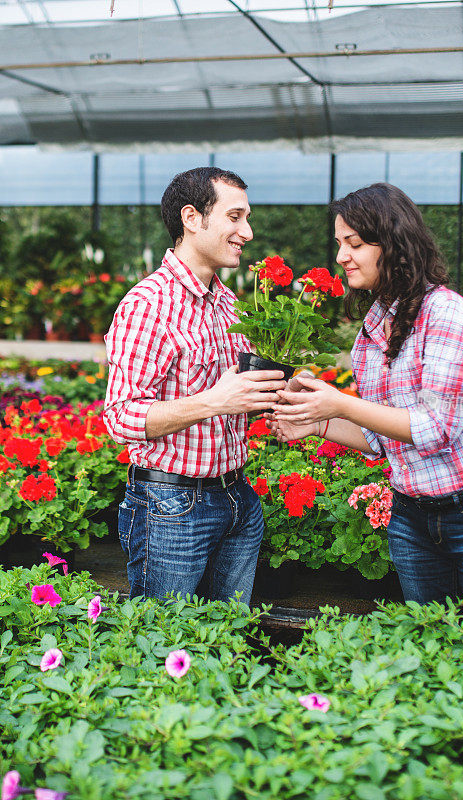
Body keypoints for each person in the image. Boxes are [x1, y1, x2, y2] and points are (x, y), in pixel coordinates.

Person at [271, 182, 463, 635]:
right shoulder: (374, 328)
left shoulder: (445, 314)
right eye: (339, 244)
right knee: (433, 653)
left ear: (393, 244)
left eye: (355, 244)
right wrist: (317, 419)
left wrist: (340, 402)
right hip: (414, 519)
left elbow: (435, 429)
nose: (341, 256)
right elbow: (383, 439)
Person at [103, 166, 286, 603]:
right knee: (164, 650)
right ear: (192, 217)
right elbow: (120, 417)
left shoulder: (227, 301)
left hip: (237, 496)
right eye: (235, 217)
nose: (249, 231)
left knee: (227, 642)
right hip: (172, 507)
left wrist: (287, 392)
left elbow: (239, 394)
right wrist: (213, 401)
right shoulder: (149, 305)